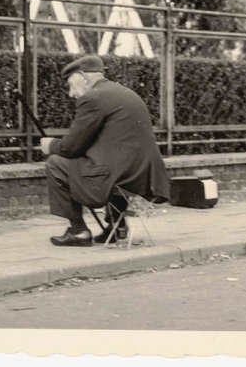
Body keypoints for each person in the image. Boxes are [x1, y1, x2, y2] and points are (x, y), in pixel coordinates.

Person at [41, 55, 170, 247]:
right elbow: (109, 143)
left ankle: (78, 231)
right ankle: (117, 227)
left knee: (55, 164)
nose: (70, 93)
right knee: (105, 163)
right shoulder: (126, 93)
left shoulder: (92, 98)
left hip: (119, 175)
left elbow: (70, 148)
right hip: (143, 176)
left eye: (70, 84)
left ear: (83, 76)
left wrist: (50, 145)